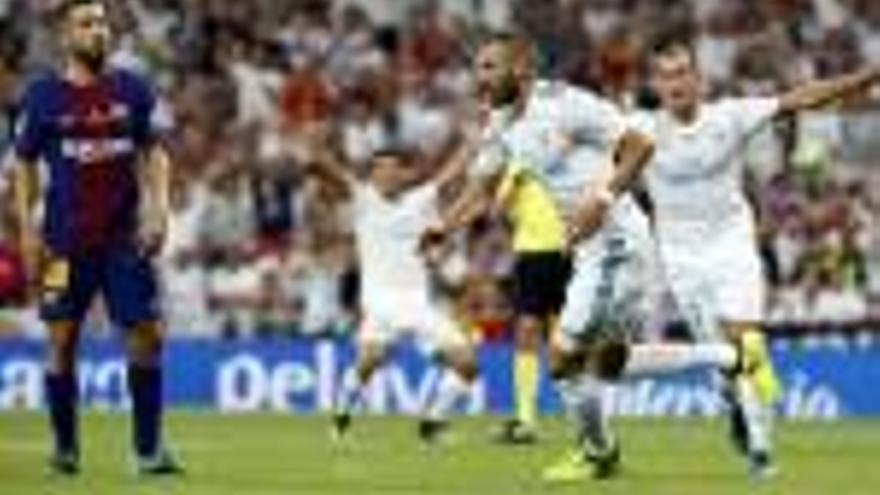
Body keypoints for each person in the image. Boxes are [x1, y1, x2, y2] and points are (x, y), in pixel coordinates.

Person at [424, 33, 753, 483]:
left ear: (520, 69)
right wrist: (444, 225)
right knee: (610, 364)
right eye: (478, 66)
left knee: (562, 357)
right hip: (592, 248)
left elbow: (640, 144)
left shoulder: (566, 104)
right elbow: (482, 187)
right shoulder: (501, 122)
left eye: (489, 66)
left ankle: (598, 452)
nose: (479, 76)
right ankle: (725, 357)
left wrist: (601, 197)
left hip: (615, 240)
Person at [633, 32, 880, 478]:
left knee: (744, 336)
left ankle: (762, 452)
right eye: (666, 76)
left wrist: (868, 75)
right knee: (725, 361)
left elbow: (802, 98)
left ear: (699, 80)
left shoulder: (730, 117)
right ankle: (735, 407)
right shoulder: (639, 129)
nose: (676, 84)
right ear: (655, 84)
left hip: (732, 247)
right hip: (681, 261)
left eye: (683, 73)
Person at [9, 0, 180, 476]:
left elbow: (154, 152)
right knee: (62, 341)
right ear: (67, 37)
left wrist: (159, 208)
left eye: (103, 23)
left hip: (123, 240)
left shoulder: (132, 89)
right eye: (86, 24)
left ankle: (147, 453)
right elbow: (23, 162)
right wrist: (26, 229)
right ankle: (65, 450)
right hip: (63, 242)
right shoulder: (43, 97)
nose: (98, 31)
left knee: (147, 337)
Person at [305, 130, 480, 444]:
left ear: (403, 173)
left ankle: (432, 422)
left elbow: (454, 170)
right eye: (378, 169)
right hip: (380, 302)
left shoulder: (420, 198)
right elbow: (331, 170)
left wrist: (472, 141)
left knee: (467, 365)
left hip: (417, 303)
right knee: (369, 361)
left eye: (391, 168)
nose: (385, 174)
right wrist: (317, 148)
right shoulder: (363, 198)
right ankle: (341, 415)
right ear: (371, 175)